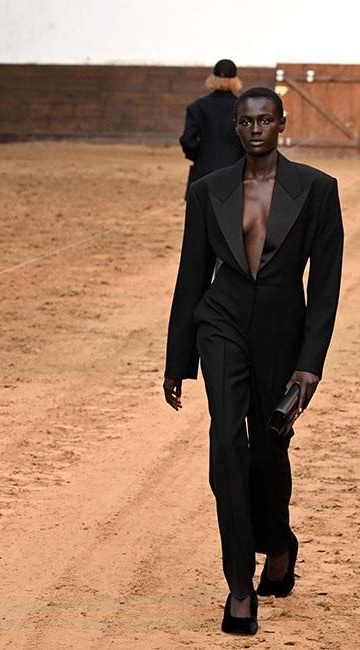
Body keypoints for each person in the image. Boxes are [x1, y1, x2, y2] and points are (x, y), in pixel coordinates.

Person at [163, 87, 343, 635]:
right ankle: (239, 586)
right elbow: (191, 274)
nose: (257, 128)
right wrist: (177, 359)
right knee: (226, 444)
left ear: (282, 124)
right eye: (248, 121)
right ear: (235, 129)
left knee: (269, 451)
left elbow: (327, 284)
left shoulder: (316, 189)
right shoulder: (209, 190)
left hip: (283, 332)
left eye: (267, 119)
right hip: (221, 321)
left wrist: (309, 364)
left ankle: (280, 545)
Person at [180, 59, 244, 193]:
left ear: (212, 79)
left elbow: (187, 140)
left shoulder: (197, 107)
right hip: (234, 173)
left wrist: (199, 156)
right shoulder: (243, 108)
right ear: (235, 80)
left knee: (202, 212)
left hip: (203, 172)